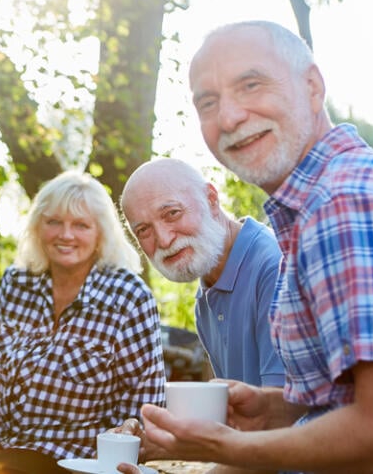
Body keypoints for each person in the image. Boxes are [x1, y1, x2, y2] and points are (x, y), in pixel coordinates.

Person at [127, 20, 373, 474]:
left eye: (250, 84)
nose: (229, 117)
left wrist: (224, 448)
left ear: (312, 86)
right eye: (208, 102)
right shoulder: (331, 200)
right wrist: (278, 409)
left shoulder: (346, 204)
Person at [0, 170, 166, 474]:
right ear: (37, 227)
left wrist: (129, 434)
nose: (65, 235)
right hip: (1, 447)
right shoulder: (17, 282)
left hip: (80, 461)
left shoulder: (129, 297)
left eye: (80, 225)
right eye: (54, 222)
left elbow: (145, 407)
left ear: (101, 234)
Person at [120, 158, 284, 388]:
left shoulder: (274, 268)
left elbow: (283, 408)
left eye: (172, 213)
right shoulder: (206, 298)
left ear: (211, 200)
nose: (164, 240)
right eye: (143, 230)